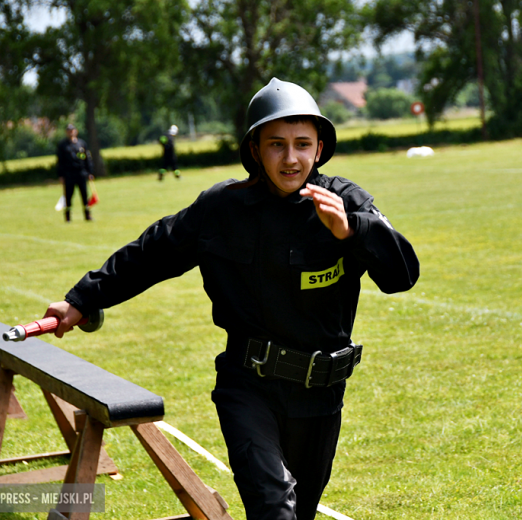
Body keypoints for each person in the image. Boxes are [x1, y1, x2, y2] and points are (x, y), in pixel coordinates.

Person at [43, 78, 419, 520]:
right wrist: (82, 300)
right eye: (276, 144)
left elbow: (402, 276)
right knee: (274, 508)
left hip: (321, 396)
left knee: (299, 514)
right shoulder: (222, 208)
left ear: (320, 148)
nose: (291, 157)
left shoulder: (346, 202)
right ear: (255, 150)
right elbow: (152, 253)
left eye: (303, 143)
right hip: (250, 389)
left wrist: (352, 231)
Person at [56, 123, 94, 222]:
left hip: (81, 173)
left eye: (72, 130)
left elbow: (86, 158)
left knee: (84, 195)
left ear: (76, 131)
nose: (71, 132)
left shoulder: (81, 144)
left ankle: (87, 214)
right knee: (68, 196)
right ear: (66, 132)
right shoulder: (63, 145)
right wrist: (61, 175)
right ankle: (68, 216)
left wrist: (89, 172)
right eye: (69, 130)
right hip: (69, 174)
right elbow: (60, 161)